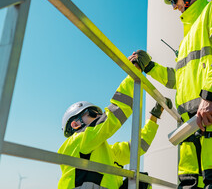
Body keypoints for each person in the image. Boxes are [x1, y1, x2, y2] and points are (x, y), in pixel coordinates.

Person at [131, 0, 212, 189]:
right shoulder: (186, 40)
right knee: (189, 184)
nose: (174, 6)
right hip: (190, 128)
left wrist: (210, 96)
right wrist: (150, 67)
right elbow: (178, 80)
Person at [58, 61, 172, 189]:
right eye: (92, 113)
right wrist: (134, 73)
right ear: (75, 124)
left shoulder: (107, 153)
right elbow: (112, 117)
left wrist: (154, 117)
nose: (99, 116)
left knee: (141, 182)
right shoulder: (77, 142)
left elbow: (138, 146)